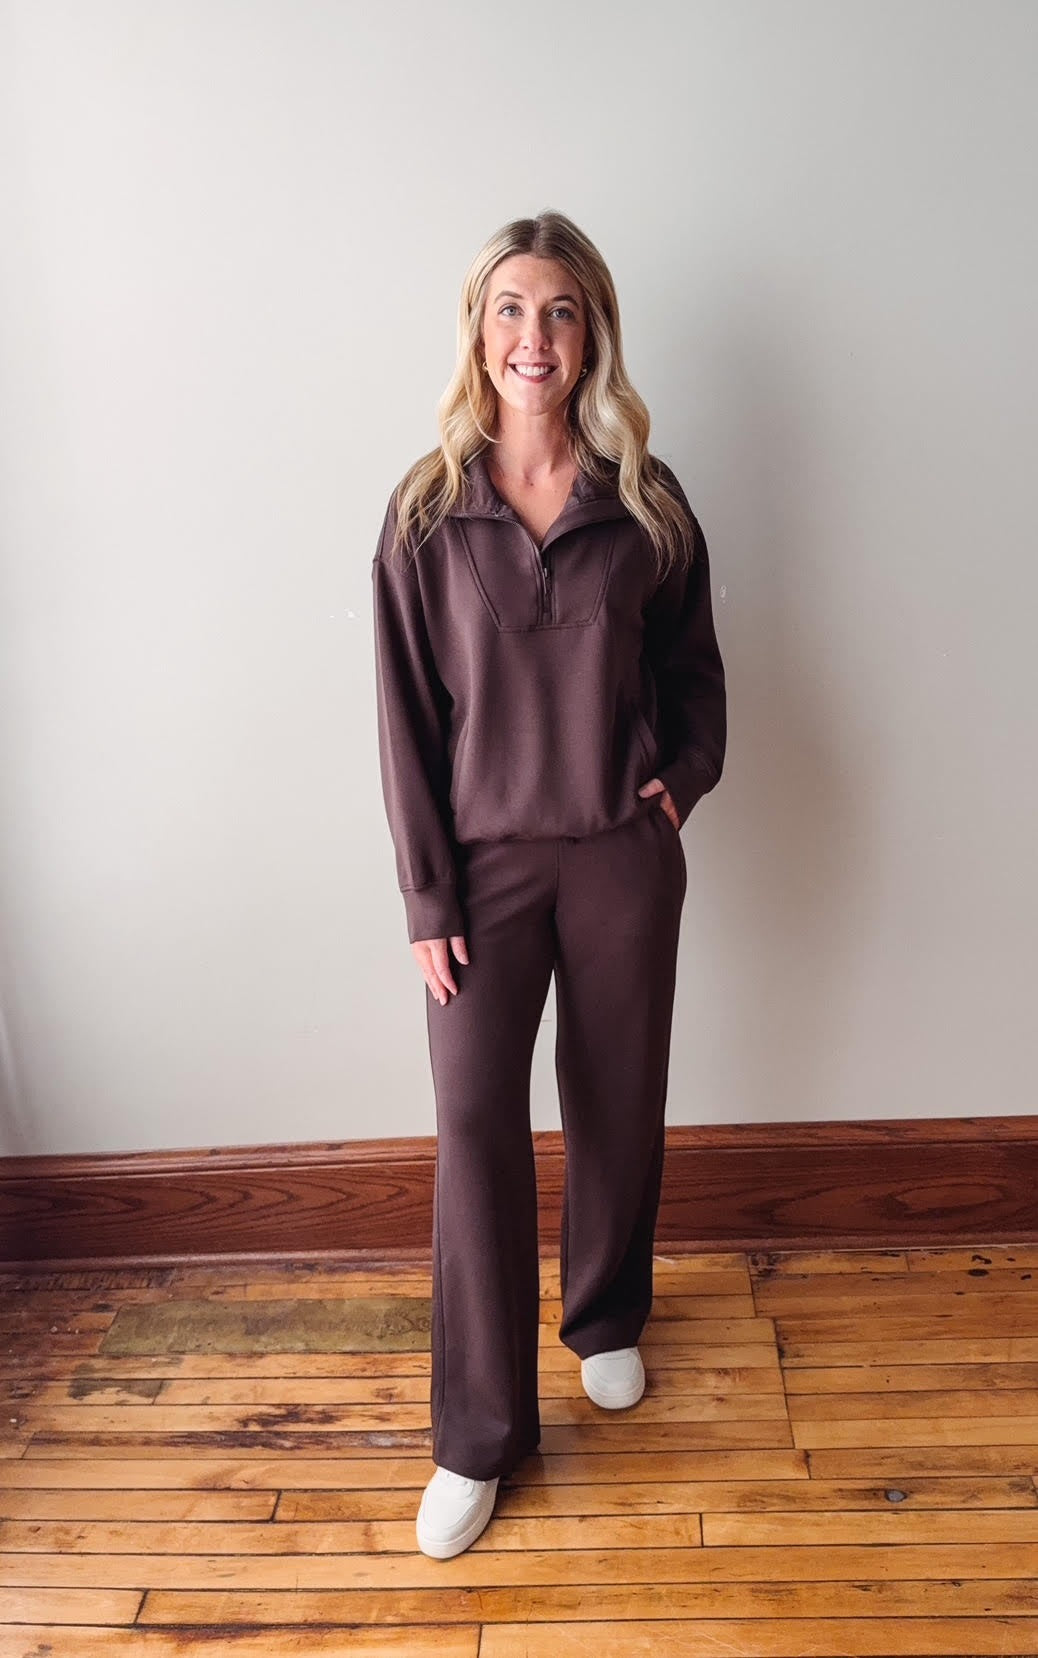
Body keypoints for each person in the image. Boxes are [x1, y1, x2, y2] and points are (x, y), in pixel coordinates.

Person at [371, 208, 726, 1560]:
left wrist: (678, 780)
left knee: (616, 1101)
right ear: (479, 329)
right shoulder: (424, 507)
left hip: (620, 858)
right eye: (513, 308)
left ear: (593, 335)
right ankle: (477, 1434)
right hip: (482, 870)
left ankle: (606, 1317)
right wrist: (424, 896)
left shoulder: (645, 495)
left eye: (562, 311)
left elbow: (698, 676)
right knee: (472, 1129)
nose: (536, 335)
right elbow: (401, 717)